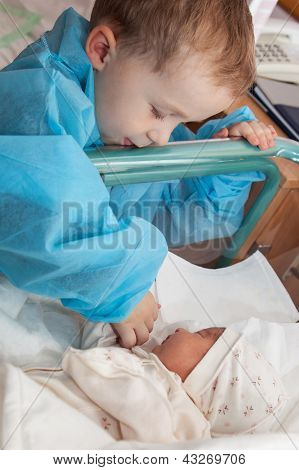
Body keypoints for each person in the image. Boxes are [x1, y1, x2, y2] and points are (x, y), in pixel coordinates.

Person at [0, 1, 277, 348]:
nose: (163, 137)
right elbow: (48, 214)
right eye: (160, 112)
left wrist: (223, 164)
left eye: (182, 122)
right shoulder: (41, 98)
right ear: (102, 50)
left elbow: (187, 220)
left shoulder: (133, 119)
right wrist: (119, 286)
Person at [62, 325, 287, 442]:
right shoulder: (149, 365)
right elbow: (98, 345)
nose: (181, 330)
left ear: (208, 377)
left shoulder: (184, 420)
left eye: (200, 334)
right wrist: (121, 309)